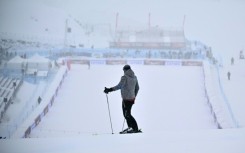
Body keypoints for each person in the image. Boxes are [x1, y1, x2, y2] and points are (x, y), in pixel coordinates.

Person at [104, 65, 140, 134]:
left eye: (123, 70)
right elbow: (137, 88)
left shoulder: (124, 77)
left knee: (127, 114)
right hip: (131, 99)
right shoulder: (135, 77)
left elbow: (119, 86)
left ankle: (134, 128)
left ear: (125, 70)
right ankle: (131, 127)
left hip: (126, 99)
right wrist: (133, 95)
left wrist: (109, 89)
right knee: (127, 114)